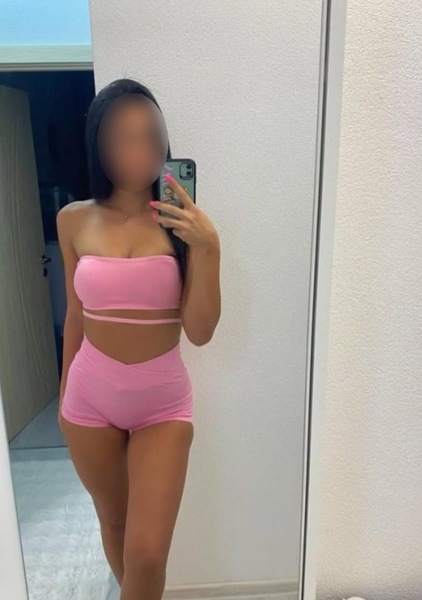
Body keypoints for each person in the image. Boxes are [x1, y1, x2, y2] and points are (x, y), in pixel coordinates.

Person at [57, 78, 221, 600]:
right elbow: (76, 316)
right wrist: (64, 399)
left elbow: (200, 332)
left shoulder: (182, 224)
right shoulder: (73, 220)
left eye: (150, 135)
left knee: (147, 555)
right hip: (88, 398)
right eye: (121, 137)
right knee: (115, 523)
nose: (138, 149)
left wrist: (209, 249)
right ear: (98, 145)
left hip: (162, 404)